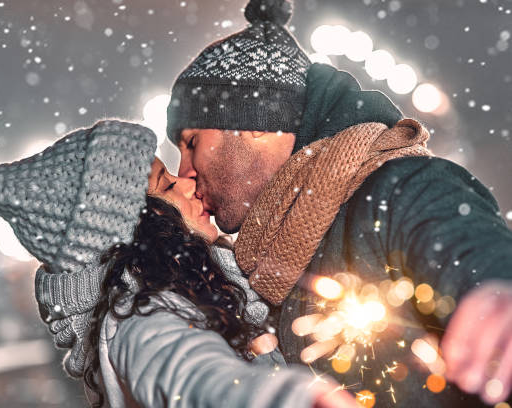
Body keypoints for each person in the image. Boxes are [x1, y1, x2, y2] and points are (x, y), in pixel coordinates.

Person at [166, 0, 512, 406]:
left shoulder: (392, 187)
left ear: (253, 125)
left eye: (191, 144)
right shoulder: (276, 252)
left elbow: (454, 232)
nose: (183, 171)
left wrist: (493, 288)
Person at [0, 120, 359, 407]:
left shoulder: (195, 290)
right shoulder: (137, 318)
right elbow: (188, 371)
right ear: (133, 230)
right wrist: (285, 398)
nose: (188, 182)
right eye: (166, 185)